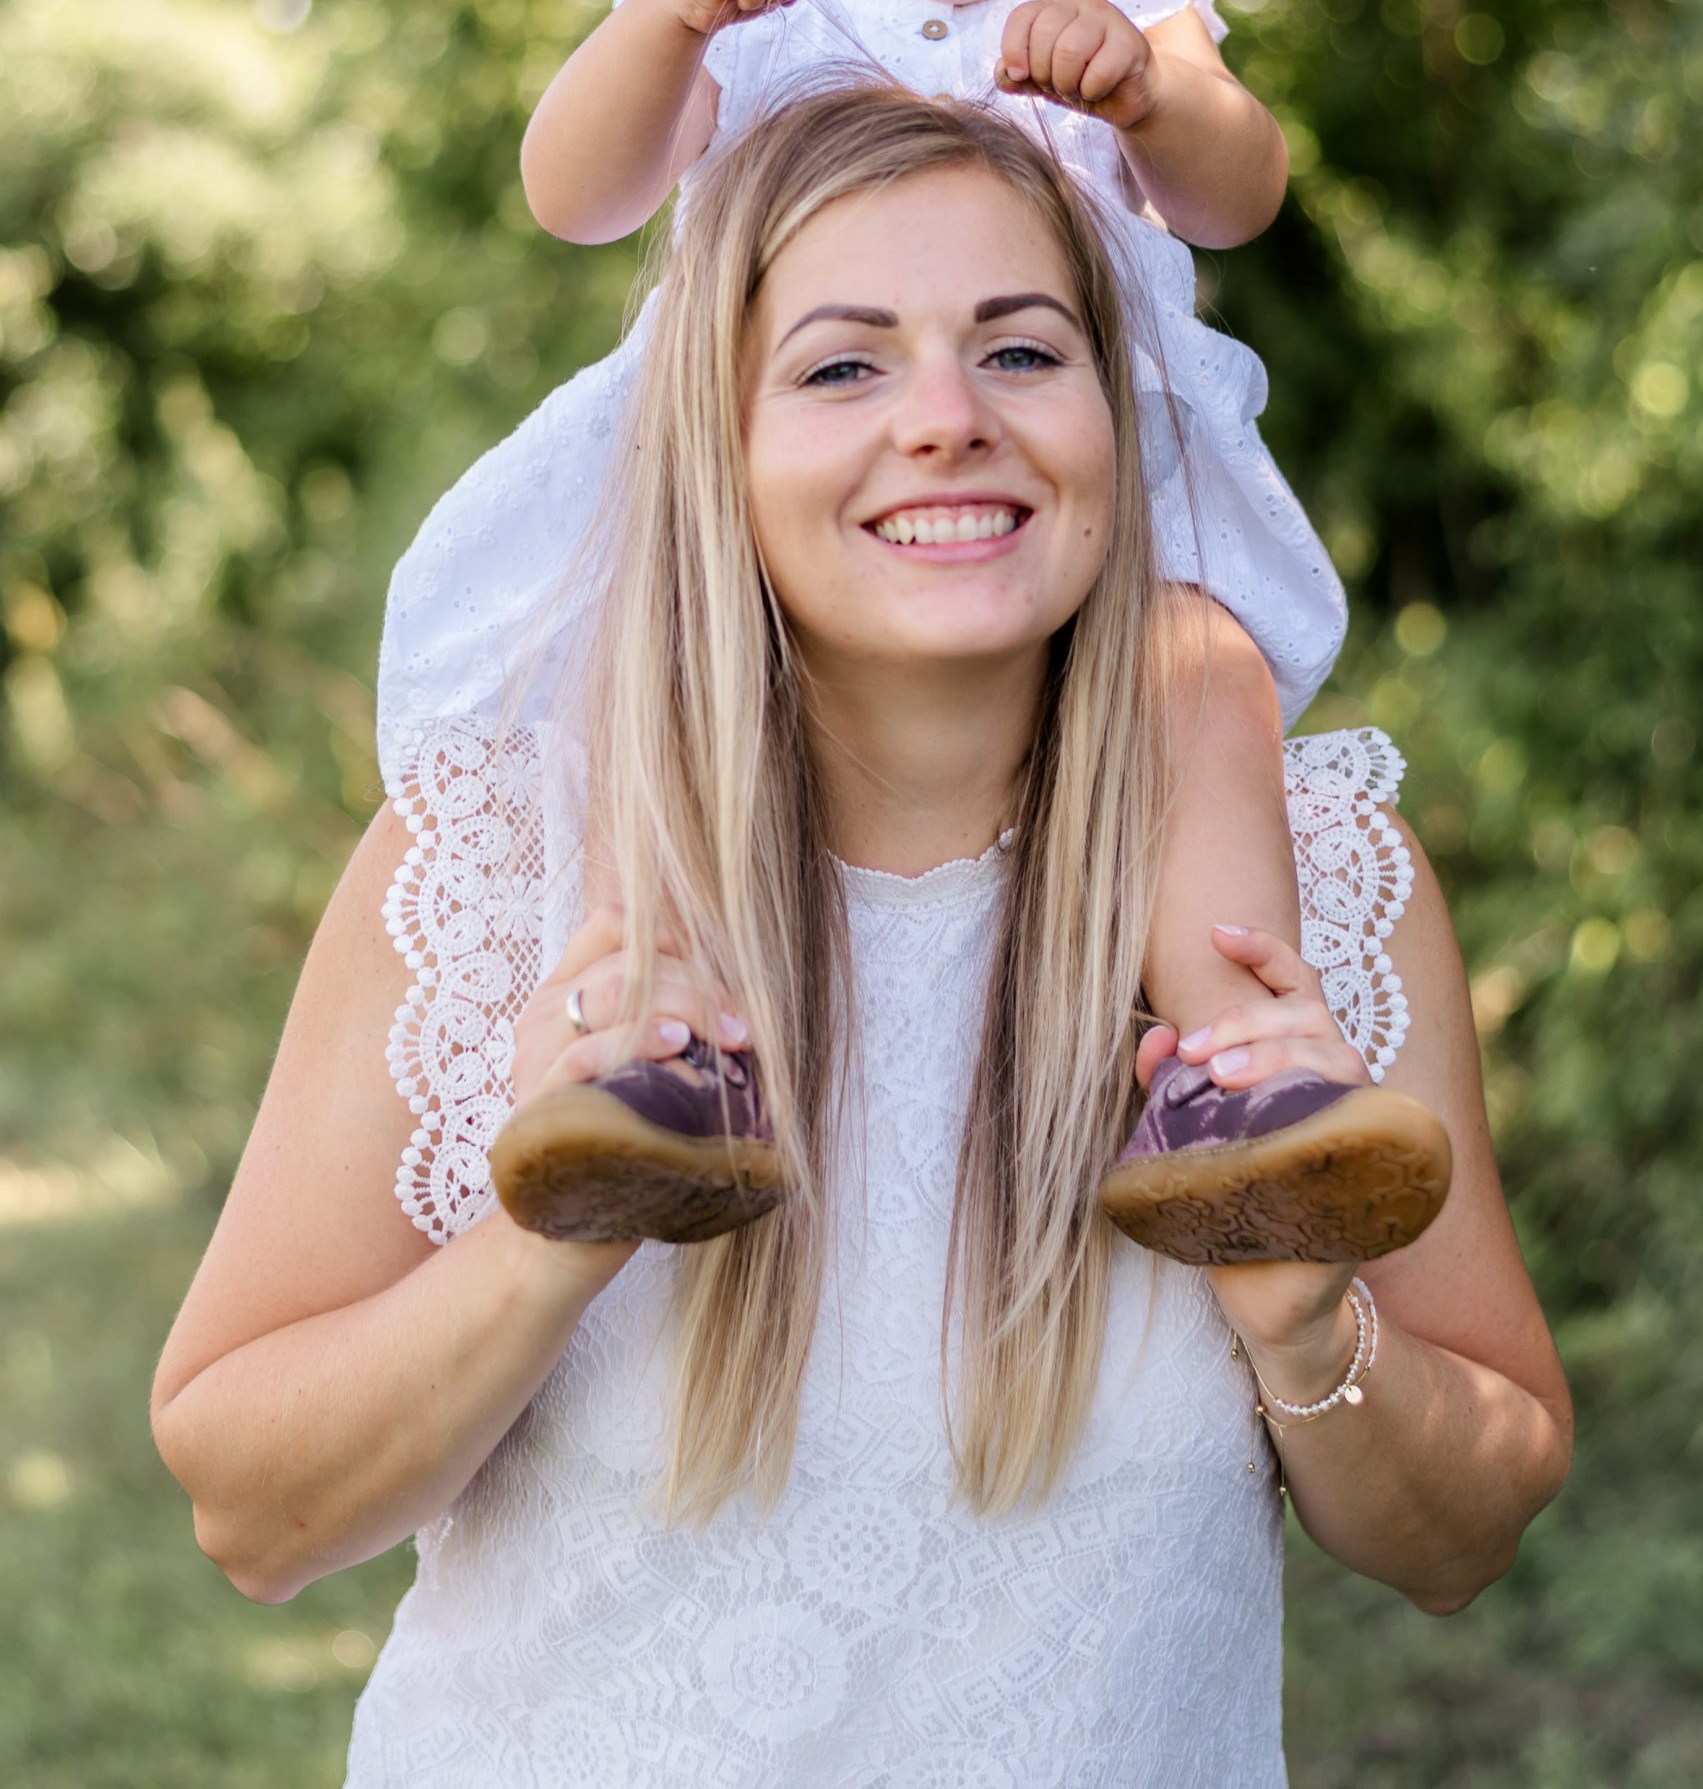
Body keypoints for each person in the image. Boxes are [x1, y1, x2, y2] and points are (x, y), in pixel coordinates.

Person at [153, 88, 1570, 1785]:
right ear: (719, 441)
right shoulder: (501, 863)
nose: (948, 421)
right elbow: (250, 1515)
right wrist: (546, 1246)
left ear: (1117, 413)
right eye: (843, 368)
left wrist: (1308, 1329)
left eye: (1023, 352)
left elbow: (1466, 1534)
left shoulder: (1302, 884)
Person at [378, 0, 1415, 1262]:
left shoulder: (1127, 10)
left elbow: (1241, 194)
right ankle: (650, 1039)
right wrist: (671, 22)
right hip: (765, 532)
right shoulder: (761, 20)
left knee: (1208, 677)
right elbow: (575, 195)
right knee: (652, 670)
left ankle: (1242, 1071)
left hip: (1080, 528)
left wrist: (1154, 95)